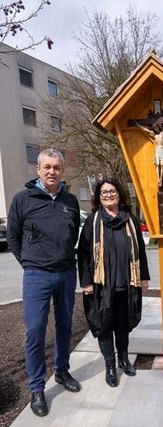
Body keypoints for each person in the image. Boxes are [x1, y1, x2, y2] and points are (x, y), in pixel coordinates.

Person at [7, 149, 81, 417]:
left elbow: (73, 236)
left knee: (64, 325)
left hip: (65, 273)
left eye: (57, 167)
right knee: (35, 331)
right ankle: (37, 387)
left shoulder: (70, 201)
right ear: (38, 169)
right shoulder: (22, 200)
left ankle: (61, 371)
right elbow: (13, 237)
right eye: (47, 167)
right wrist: (29, 262)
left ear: (63, 170)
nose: (52, 172)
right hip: (37, 276)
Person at [77, 177, 150, 388]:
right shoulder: (93, 221)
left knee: (123, 325)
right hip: (101, 285)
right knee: (105, 325)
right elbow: (83, 254)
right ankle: (110, 366)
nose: (109, 195)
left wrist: (143, 276)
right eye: (104, 192)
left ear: (119, 194)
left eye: (112, 191)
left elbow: (141, 251)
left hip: (127, 283)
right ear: (99, 198)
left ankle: (124, 359)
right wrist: (87, 282)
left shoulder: (130, 219)